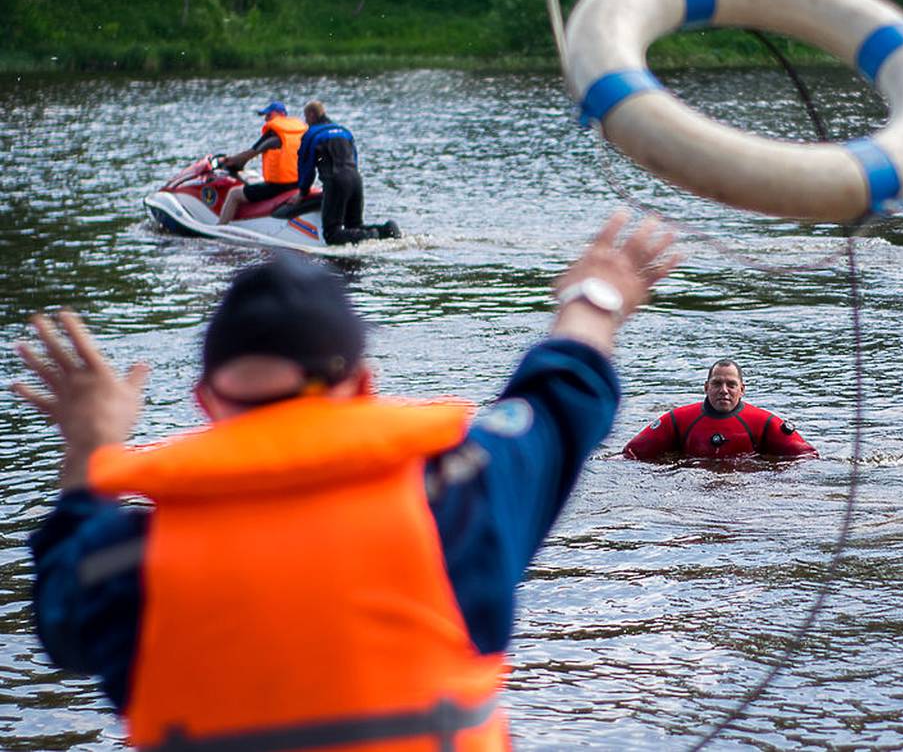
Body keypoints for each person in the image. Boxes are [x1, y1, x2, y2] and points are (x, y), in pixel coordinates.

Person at [13, 212, 679, 751]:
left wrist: (91, 446)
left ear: (205, 401)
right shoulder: (457, 498)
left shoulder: (125, 564)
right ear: (363, 386)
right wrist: (597, 296)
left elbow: (59, 603)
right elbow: (563, 397)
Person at [623, 358, 817, 460]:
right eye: (717, 384)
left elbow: (807, 458)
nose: (723, 390)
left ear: (742, 390)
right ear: (706, 388)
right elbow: (630, 454)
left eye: (731, 385)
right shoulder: (678, 420)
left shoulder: (764, 423)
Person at [294, 99, 399, 244]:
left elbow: (306, 167)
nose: (306, 122)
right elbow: (354, 159)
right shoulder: (344, 131)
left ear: (311, 115)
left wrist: (302, 192)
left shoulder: (312, 135)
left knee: (331, 234)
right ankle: (387, 230)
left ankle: (372, 235)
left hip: (336, 181)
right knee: (354, 225)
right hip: (356, 179)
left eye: (306, 118)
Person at [216, 101, 309, 224]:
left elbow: (250, 153)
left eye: (268, 115)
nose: (266, 119)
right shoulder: (300, 132)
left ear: (279, 114)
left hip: (279, 187)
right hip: (298, 184)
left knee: (234, 193)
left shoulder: (274, 133)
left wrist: (229, 161)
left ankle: (220, 228)